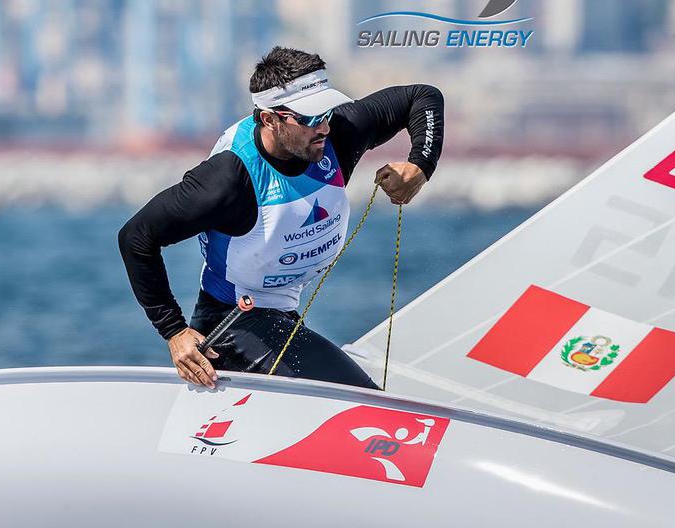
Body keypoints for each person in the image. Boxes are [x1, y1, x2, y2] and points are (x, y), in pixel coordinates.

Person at [119, 47, 444, 390]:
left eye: (326, 112)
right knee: (359, 400)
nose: (322, 127)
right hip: (231, 323)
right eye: (307, 118)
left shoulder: (338, 134)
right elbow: (136, 237)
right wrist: (174, 331)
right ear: (270, 119)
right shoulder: (227, 180)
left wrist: (421, 166)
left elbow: (422, 97)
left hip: (281, 318)